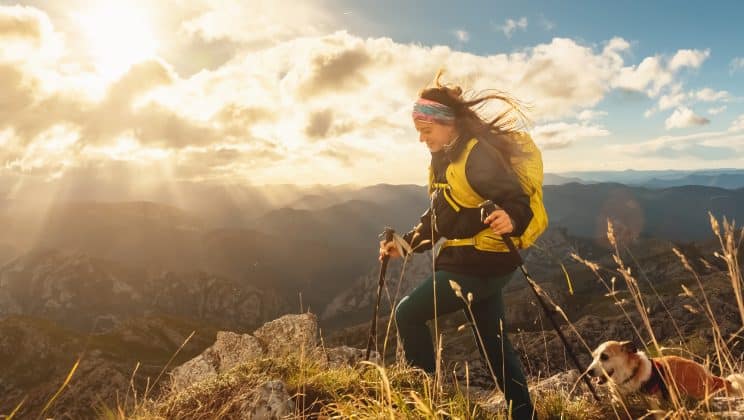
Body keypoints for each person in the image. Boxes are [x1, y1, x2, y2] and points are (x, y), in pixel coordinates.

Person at [379, 73, 537, 419]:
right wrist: (404, 245)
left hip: (480, 263)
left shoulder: (477, 155)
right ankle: (524, 415)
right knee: (495, 347)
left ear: (448, 124)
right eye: (418, 132)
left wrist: (511, 218)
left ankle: (424, 408)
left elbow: (517, 199)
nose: (421, 139)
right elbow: (440, 215)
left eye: (426, 131)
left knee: (407, 313)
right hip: (480, 263)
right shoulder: (445, 157)